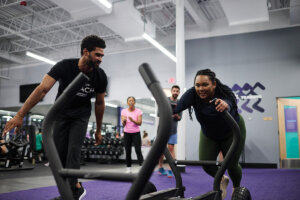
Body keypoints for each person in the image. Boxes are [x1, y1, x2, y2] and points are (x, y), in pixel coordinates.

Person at [2, 35, 108, 200]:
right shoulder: (64, 66)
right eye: (97, 54)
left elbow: (100, 103)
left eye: (102, 55)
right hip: (60, 114)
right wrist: (19, 115)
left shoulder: (100, 75)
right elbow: (42, 89)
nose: (100, 59)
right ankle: (74, 189)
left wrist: (99, 130)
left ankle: (72, 192)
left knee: (73, 152)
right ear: (86, 52)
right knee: (57, 157)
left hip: (80, 116)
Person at [173, 69, 246, 200]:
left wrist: (225, 105)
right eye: (197, 85)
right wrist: (170, 110)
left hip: (232, 132)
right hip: (209, 134)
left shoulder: (223, 93)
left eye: (205, 84)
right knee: (206, 164)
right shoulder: (192, 94)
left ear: (214, 84)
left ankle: (237, 189)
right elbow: (178, 106)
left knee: (232, 165)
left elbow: (229, 102)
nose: (201, 88)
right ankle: (222, 179)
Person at [158, 85, 182, 178]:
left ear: (179, 93)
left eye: (177, 91)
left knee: (171, 149)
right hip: (163, 129)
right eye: (174, 90)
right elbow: (159, 114)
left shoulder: (180, 103)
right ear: (171, 91)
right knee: (161, 150)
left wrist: (176, 116)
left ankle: (170, 169)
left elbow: (180, 117)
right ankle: (160, 167)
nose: (175, 92)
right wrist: (169, 115)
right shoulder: (165, 100)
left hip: (173, 129)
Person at [121, 96, 144, 173]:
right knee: (128, 151)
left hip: (136, 133)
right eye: (129, 101)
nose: (131, 102)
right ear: (127, 102)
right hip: (127, 133)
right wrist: (124, 121)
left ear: (134, 102)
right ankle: (128, 168)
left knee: (138, 150)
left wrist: (132, 120)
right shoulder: (124, 111)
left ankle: (142, 167)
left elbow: (140, 123)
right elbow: (124, 125)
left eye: (132, 101)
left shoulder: (138, 111)